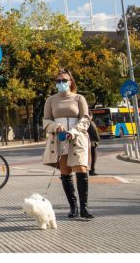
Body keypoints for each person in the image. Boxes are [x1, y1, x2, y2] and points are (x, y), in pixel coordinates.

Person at [42, 68, 94, 219]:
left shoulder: (79, 98)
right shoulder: (51, 100)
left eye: (64, 80)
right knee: (65, 171)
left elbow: (85, 118)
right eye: (58, 81)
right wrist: (56, 127)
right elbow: (46, 120)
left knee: (81, 168)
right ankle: (73, 207)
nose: (61, 83)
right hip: (60, 138)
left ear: (71, 82)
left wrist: (74, 131)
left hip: (77, 137)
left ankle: (84, 208)